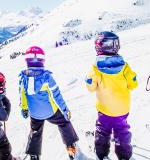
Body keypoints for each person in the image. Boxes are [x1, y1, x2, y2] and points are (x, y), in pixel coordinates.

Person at [18, 46, 79, 160]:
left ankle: (34, 154)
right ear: (42, 60)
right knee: (64, 123)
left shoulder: (23, 78)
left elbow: (22, 96)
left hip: (35, 113)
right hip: (50, 111)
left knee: (35, 130)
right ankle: (71, 147)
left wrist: (24, 108)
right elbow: (56, 95)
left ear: (27, 60)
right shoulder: (46, 77)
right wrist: (65, 110)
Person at [86, 31, 138, 160]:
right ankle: (124, 155)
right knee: (122, 130)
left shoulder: (95, 67)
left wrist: (88, 80)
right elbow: (133, 85)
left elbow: (90, 87)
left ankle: (101, 154)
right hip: (122, 109)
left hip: (105, 109)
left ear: (98, 47)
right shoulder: (125, 66)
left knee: (103, 131)